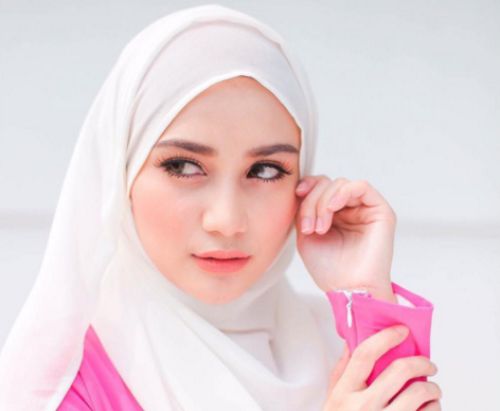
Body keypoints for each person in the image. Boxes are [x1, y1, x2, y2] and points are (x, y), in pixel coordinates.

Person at [0, 4, 441, 410]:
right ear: (122, 173)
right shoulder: (62, 387)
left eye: (265, 171)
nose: (227, 221)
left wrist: (365, 291)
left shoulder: (339, 348)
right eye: (183, 166)